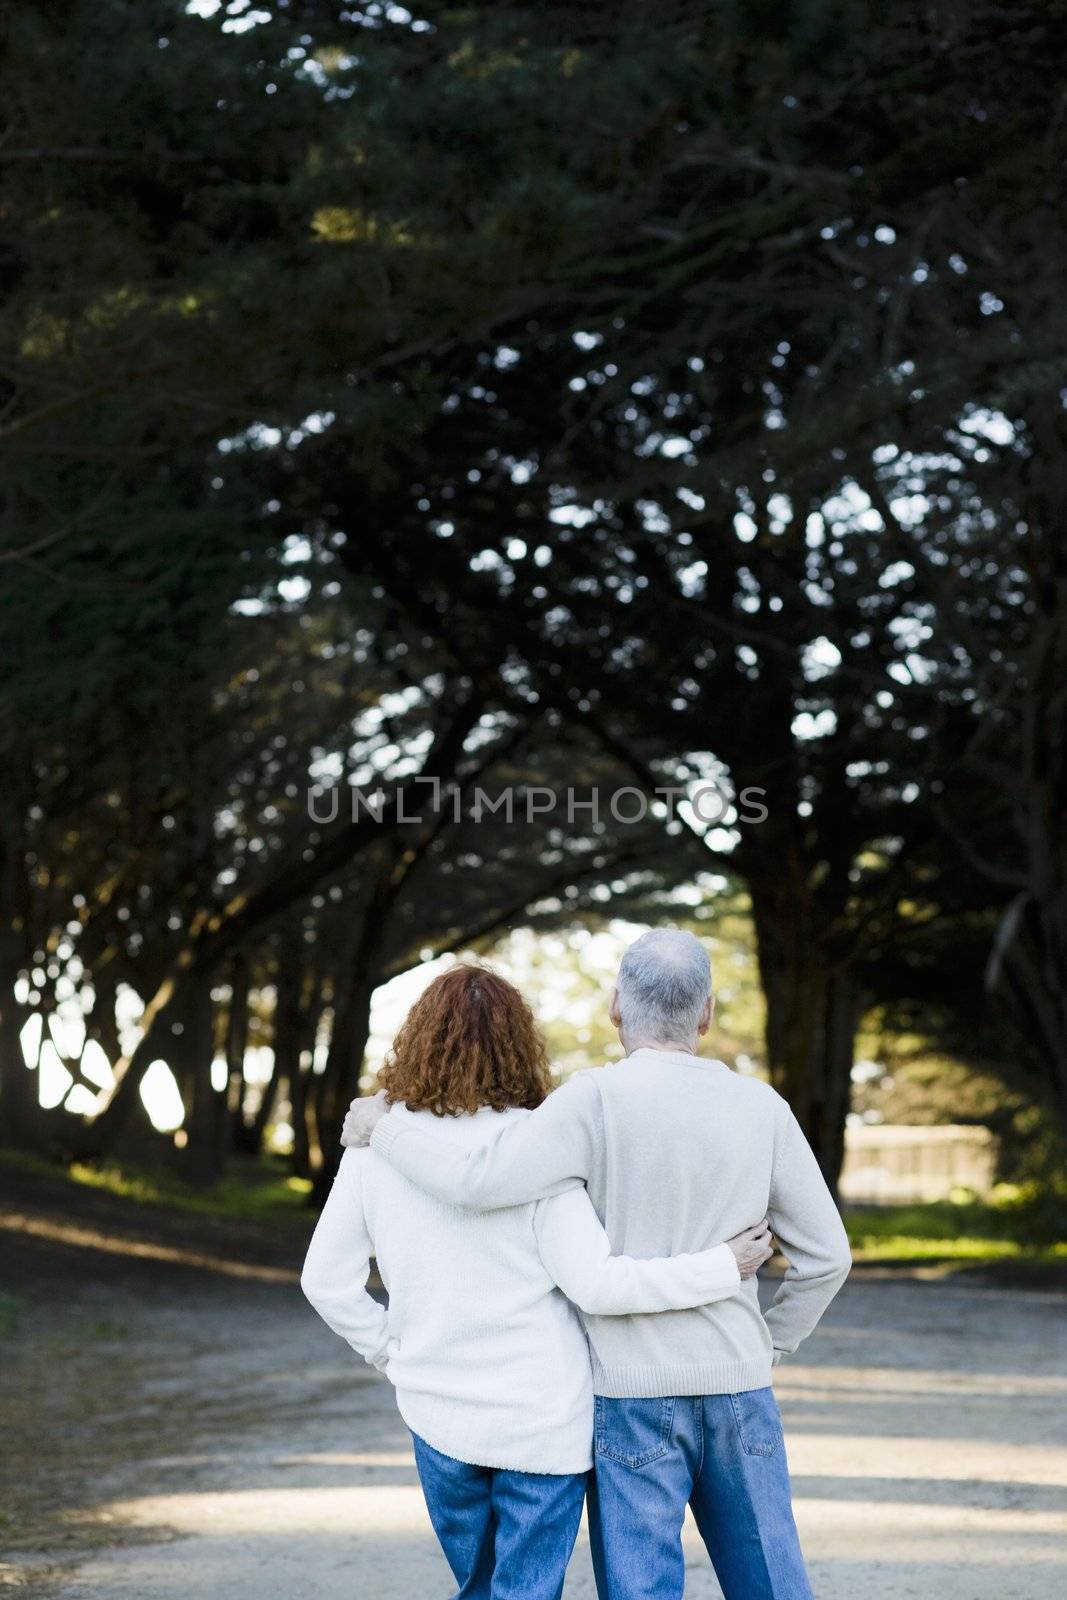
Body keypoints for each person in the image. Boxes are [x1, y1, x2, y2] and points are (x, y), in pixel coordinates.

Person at [343, 929, 852, 1600]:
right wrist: (771, 1342)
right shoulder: (762, 1108)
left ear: (615, 1007)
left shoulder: (589, 1101)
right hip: (737, 1382)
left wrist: (388, 1129)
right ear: (706, 1013)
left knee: (641, 1589)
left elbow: (476, 1183)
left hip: (630, 1395)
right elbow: (827, 1258)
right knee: (770, 1581)